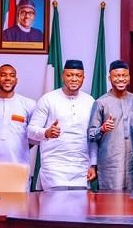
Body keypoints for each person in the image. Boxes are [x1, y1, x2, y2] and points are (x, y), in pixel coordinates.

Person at [28, 60, 96, 190]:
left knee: (79, 209)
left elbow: (92, 137)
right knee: (55, 208)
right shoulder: (48, 99)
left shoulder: (90, 101)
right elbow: (30, 131)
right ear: (62, 76)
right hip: (54, 168)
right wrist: (46, 133)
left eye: (78, 76)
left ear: (83, 78)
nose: (74, 79)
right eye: (70, 75)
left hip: (81, 168)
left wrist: (93, 165)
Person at [88, 60, 133, 190]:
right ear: (110, 78)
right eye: (117, 76)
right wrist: (102, 129)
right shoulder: (101, 102)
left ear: (129, 78)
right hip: (110, 166)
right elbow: (91, 135)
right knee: (111, 205)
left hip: (132, 164)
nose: (121, 79)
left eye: (124, 76)